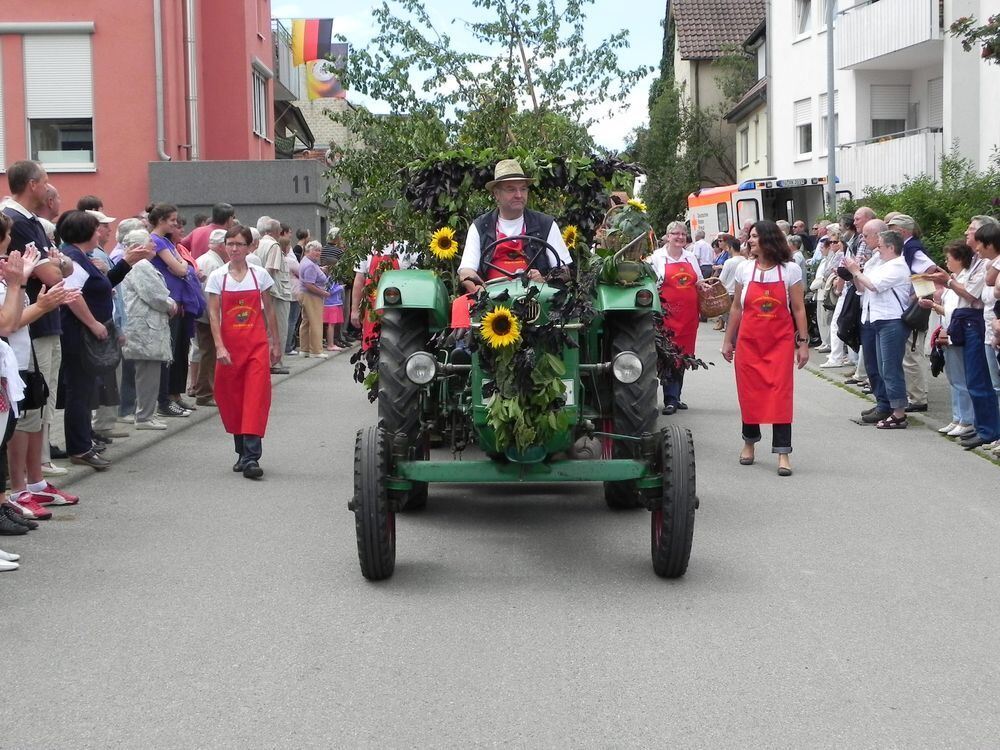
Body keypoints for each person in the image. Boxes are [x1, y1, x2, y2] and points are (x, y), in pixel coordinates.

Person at [59, 211, 150, 470]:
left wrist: (126, 263)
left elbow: (101, 285)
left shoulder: (82, 257)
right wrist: (93, 323)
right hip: (80, 333)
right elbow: (72, 294)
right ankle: (79, 447)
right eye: (96, 228)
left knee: (85, 390)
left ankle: (83, 441)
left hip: (87, 332)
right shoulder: (74, 258)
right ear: (85, 232)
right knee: (79, 390)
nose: (101, 232)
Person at [721, 220, 809, 476]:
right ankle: (749, 442)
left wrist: (802, 344)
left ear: (769, 239)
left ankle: (783, 452)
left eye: (755, 236)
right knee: (749, 393)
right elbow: (736, 308)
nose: (749, 241)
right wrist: (728, 340)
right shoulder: (744, 270)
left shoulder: (790, 271)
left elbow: (799, 308)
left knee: (780, 395)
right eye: (749, 236)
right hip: (749, 342)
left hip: (779, 343)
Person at [205, 225, 282, 479]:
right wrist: (219, 346)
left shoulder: (260, 275)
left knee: (255, 398)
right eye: (230, 243)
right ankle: (241, 452)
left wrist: (275, 342)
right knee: (233, 399)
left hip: (256, 347)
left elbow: (269, 310)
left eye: (239, 244)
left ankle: (251, 458)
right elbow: (214, 316)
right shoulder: (217, 277)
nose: (234, 249)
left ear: (250, 247)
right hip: (230, 348)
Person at [921, 240, 1000, 449]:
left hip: (971, 328)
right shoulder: (960, 276)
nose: (946, 262)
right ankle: (971, 423)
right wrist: (937, 302)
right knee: (962, 380)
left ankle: (975, 424)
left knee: (977, 381)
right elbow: (952, 306)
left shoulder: (972, 273)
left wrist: (948, 282)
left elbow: (969, 300)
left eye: (949, 258)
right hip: (960, 327)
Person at [457, 159, 572, 295]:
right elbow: (465, 272)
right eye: (511, 189)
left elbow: (565, 271)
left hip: (536, 299)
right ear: (496, 194)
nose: (519, 195)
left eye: (523, 189)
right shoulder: (480, 227)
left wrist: (544, 280)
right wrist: (482, 293)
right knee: (460, 307)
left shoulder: (546, 224)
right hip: (492, 302)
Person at [843, 230, 913, 429]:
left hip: (892, 320)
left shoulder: (898, 266)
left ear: (891, 247)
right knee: (883, 368)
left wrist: (857, 271)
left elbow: (874, 285)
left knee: (891, 369)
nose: (877, 249)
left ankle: (899, 413)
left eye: (881, 246)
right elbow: (863, 287)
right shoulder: (884, 264)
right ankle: (892, 408)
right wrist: (854, 273)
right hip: (879, 319)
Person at [651, 221, 709, 414]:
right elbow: (651, 285)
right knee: (669, 356)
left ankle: (676, 396)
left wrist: (704, 286)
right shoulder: (657, 258)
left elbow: (698, 280)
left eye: (683, 234)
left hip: (688, 317)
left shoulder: (690, 257)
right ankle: (670, 398)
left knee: (683, 357)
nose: (680, 237)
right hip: (667, 318)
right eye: (675, 234)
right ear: (668, 236)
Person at [120, 229, 176, 430]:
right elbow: (156, 295)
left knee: (147, 372)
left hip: (144, 326)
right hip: (145, 328)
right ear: (138, 246)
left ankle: (145, 414)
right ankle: (145, 416)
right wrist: (171, 304)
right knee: (148, 373)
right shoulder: (142, 265)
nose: (154, 246)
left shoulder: (139, 265)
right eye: (149, 243)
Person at [298, 240, 331, 358]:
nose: (318, 253)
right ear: (308, 250)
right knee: (315, 321)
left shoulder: (308, 262)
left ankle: (305, 349)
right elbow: (309, 284)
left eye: (319, 250)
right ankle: (316, 351)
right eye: (316, 250)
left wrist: (320, 270)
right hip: (311, 296)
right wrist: (324, 293)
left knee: (306, 321)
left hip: (305, 294)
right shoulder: (310, 265)